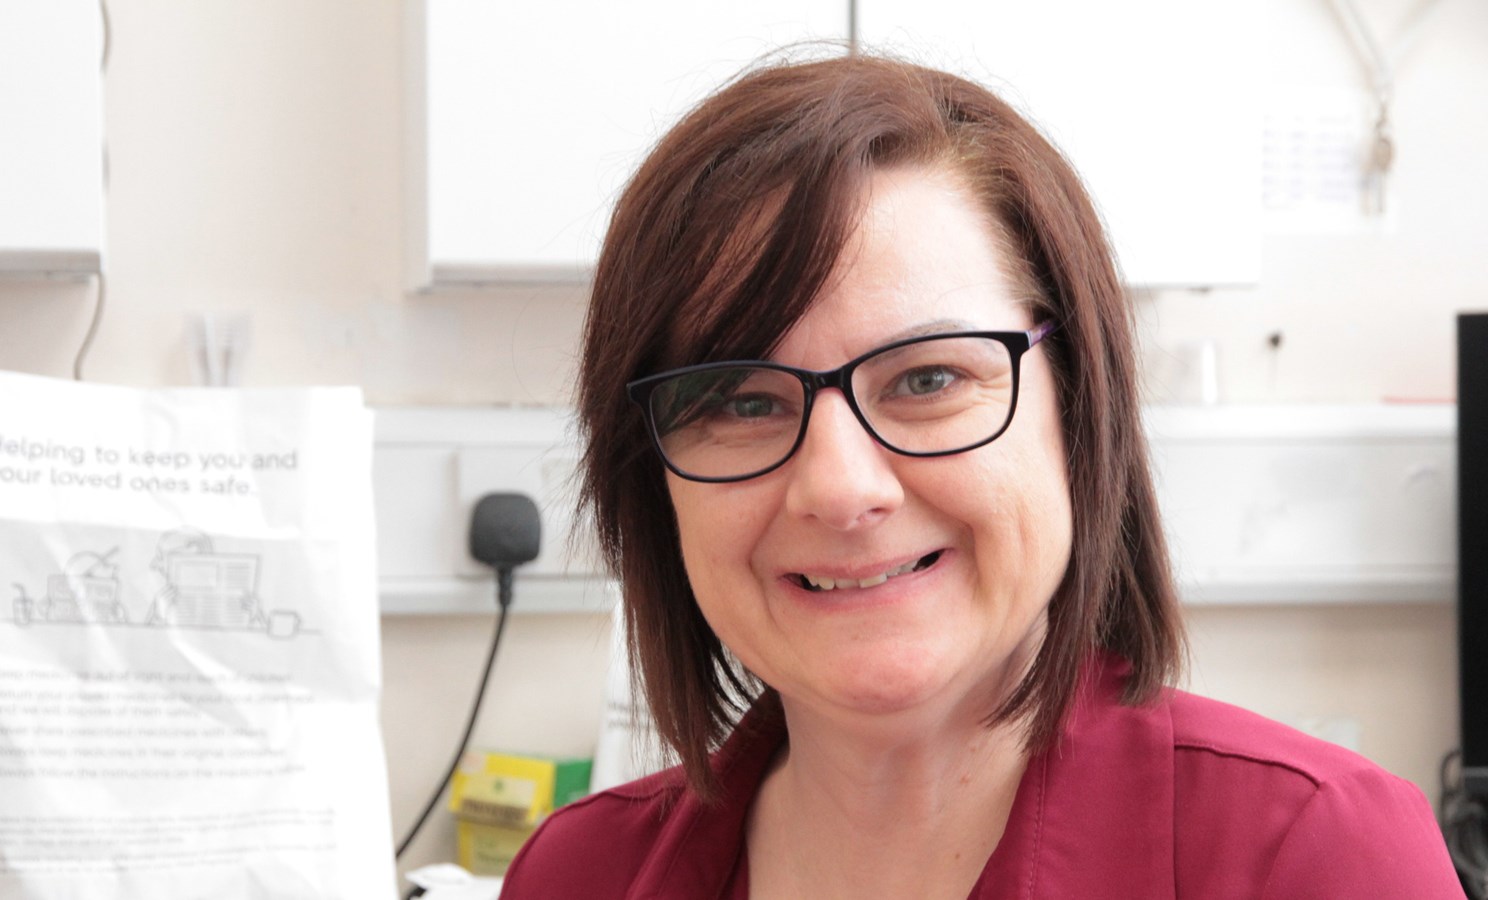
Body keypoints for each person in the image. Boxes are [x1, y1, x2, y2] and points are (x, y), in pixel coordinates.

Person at [501, 54, 1464, 898]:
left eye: (928, 379)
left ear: (1077, 416)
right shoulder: (575, 876)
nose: (840, 489)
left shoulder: (1315, 857)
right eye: (744, 403)